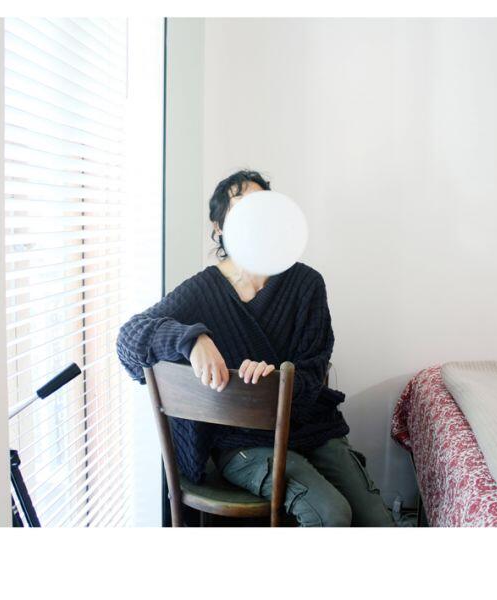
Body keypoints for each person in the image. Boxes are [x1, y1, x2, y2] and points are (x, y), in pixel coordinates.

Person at [116, 169, 395, 527]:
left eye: (261, 206)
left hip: (312, 429)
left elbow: (314, 368)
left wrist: (275, 380)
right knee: (331, 514)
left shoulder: (306, 283)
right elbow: (129, 339)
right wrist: (192, 340)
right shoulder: (203, 290)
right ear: (218, 227)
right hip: (242, 442)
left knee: (377, 521)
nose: (253, 215)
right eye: (240, 207)